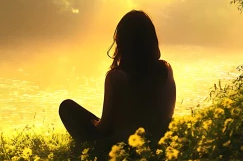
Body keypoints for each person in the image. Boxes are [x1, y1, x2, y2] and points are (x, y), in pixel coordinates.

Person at [59, 10, 176, 144]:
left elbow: (104, 129)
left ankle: (88, 150)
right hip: (155, 144)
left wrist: (94, 123)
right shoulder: (165, 70)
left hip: (120, 149)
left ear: (122, 41)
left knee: (67, 107)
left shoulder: (117, 77)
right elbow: (168, 115)